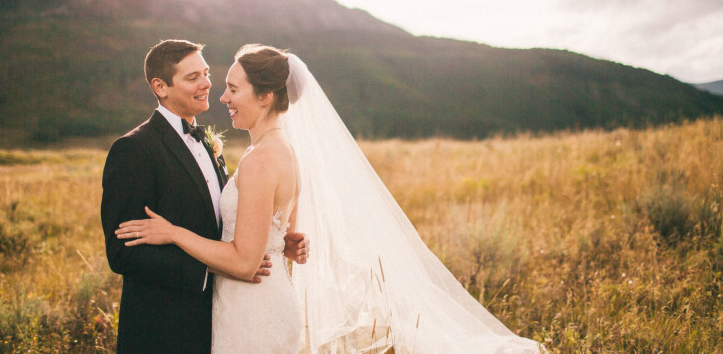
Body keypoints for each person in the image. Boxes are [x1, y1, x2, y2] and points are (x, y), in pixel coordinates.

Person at [117, 45, 544, 353]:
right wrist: (281, 242)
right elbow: (274, 232)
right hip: (254, 300)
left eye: (232, 88)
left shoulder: (263, 160)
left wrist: (172, 233)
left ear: (265, 96)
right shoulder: (276, 151)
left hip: (252, 305)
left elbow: (246, 261)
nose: (222, 96)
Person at [101, 40, 307, 354]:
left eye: (206, 73)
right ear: (161, 87)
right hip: (163, 330)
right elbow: (122, 252)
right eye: (192, 77)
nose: (208, 84)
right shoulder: (134, 150)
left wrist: (275, 241)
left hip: (228, 316)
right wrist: (210, 268)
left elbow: (226, 226)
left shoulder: (216, 147)